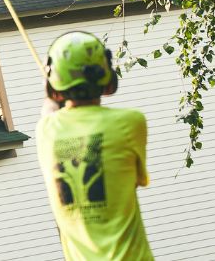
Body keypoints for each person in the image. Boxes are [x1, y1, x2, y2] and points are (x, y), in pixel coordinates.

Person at [36, 31, 154, 260]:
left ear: (54, 82)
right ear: (106, 76)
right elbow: (133, 181)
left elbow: (49, 110)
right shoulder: (131, 123)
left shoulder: (45, 132)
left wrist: (49, 85)